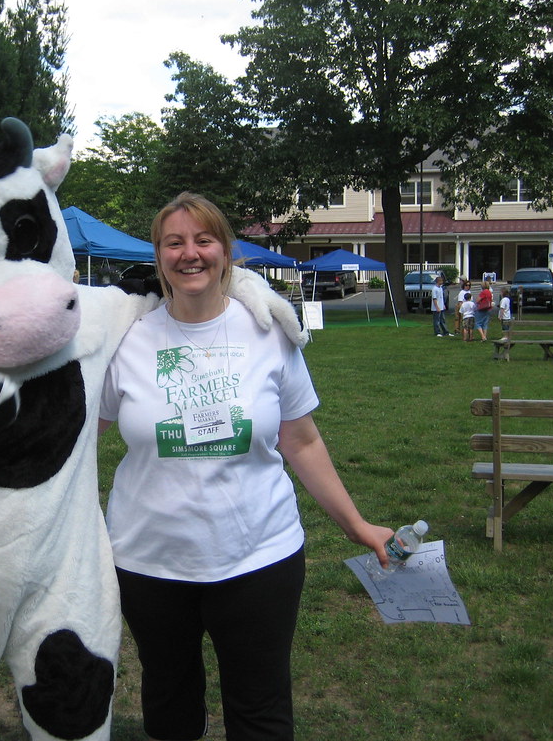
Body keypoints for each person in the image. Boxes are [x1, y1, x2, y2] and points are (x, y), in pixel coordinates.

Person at [98, 192, 394, 741]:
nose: (191, 254)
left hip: (258, 556)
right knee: (168, 702)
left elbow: (301, 442)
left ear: (226, 251)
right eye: (175, 242)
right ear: (158, 255)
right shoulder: (128, 341)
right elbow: (80, 437)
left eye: (204, 240)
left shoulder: (267, 331)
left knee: (260, 711)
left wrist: (357, 525)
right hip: (149, 561)